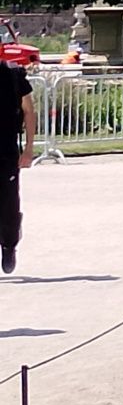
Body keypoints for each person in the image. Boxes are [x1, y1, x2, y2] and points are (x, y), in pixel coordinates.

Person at [0, 60, 35, 274]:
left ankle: (9, 244)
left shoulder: (13, 76)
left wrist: (29, 149)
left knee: (8, 205)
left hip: (6, 153)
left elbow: (29, 111)